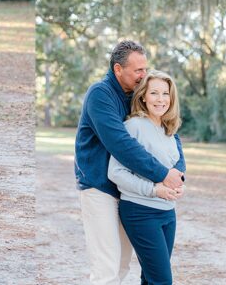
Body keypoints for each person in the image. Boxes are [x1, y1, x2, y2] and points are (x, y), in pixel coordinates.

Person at [75, 40, 186, 284]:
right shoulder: (100, 95)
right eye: (138, 70)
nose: (143, 75)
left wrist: (179, 173)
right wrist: (162, 175)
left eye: (145, 69)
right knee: (107, 268)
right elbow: (121, 145)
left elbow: (168, 131)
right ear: (117, 69)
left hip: (128, 193)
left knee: (122, 267)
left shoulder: (134, 94)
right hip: (99, 188)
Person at [108, 70, 185, 285]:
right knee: (162, 281)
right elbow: (115, 173)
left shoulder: (168, 130)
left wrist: (179, 186)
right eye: (154, 93)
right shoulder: (133, 126)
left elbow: (175, 171)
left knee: (150, 279)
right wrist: (154, 190)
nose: (161, 99)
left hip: (168, 213)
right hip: (141, 212)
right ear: (143, 96)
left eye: (165, 94)